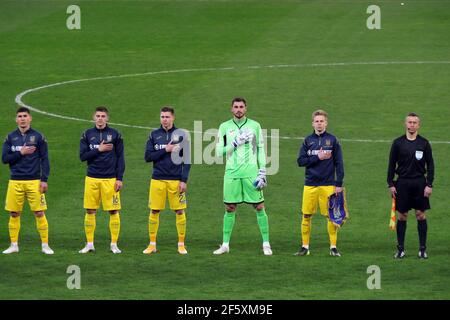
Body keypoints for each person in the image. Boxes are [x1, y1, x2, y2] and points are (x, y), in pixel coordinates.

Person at [213, 97, 272, 256]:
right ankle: (225, 244)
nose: (238, 109)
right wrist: (233, 143)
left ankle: (266, 244)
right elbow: (218, 152)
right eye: (236, 107)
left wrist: (262, 171)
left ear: (246, 109)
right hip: (231, 174)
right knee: (229, 208)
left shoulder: (255, 126)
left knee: (259, 206)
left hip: (251, 174)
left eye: (241, 107)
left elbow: (260, 148)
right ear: (231, 109)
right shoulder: (224, 127)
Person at [2, 107, 54, 254]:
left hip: (34, 181)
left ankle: (45, 245)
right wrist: (21, 152)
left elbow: (45, 159)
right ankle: (14, 245)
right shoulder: (10, 137)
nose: (22, 118)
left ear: (30, 118)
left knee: (39, 212)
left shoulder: (38, 137)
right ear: (16, 119)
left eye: (25, 116)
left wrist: (44, 179)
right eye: (19, 116)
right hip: (15, 181)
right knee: (14, 213)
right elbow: (5, 159)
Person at [295, 109, 344, 257]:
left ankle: (333, 247)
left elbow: (339, 163)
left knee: (330, 216)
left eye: (322, 121)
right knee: (306, 215)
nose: (319, 124)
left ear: (326, 123)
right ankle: (305, 247)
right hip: (310, 184)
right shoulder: (307, 141)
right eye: (317, 121)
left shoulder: (333, 140)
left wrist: (339, 184)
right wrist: (318, 157)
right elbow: (300, 161)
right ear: (313, 123)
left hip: (328, 184)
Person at [143, 106, 191, 255]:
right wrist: (166, 150)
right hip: (157, 179)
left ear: (173, 118)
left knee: (179, 210)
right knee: (154, 210)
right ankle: (152, 244)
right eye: (162, 117)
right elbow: (148, 157)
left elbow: (187, 160)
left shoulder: (181, 136)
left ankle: (181, 244)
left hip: (175, 180)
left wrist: (184, 180)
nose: (165, 119)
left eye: (167, 117)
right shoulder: (153, 135)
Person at [387, 113, 434, 259]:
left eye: (414, 122)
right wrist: (390, 183)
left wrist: (429, 184)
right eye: (410, 122)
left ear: (418, 125)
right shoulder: (398, 143)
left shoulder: (424, 143)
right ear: (405, 124)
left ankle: (422, 249)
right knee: (402, 216)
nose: (412, 125)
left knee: (420, 214)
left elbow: (431, 164)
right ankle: (400, 249)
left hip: (420, 183)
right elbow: (391, 164)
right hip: (402, 183)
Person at [79, 106, 125, 254]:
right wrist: (98, 149)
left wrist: (119, 178)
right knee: (90, 210)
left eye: (103, 116)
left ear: (107, 118)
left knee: (113, 211)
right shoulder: (87, 134)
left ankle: (114, 244)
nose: (100, 118)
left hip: (110, 179)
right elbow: (82, 156)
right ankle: (90, 244)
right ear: (94, 118)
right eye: (98, 116)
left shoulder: (115, 134)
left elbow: (120, 158)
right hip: (92, 178)